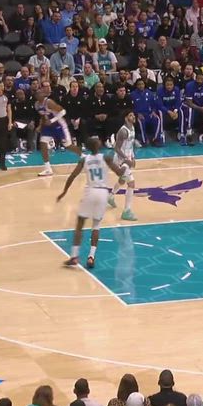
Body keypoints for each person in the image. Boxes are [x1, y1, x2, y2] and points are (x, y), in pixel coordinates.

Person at [58, 137, 125, 268]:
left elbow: (72, 176)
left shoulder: (84, 160)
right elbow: (119, 173)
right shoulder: (106, 158)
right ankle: (91, 257)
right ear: (97, 145)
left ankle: (74, 256)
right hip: (103, 193)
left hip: (90, 192)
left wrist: (64, 191)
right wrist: (126, 164)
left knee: (80, 224)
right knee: (96, 225)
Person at [35, 82, 81, 177]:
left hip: (59, 125)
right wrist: (40, 126)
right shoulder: (37, 105)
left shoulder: (49, 102)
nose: (39, 95)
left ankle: (85, 157)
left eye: (40, 93)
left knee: (68, 146)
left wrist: (52, 120)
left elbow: (63, 111)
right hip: (48, 127)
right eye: (37, 94)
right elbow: (43, 116)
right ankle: (48, 169)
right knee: (43, 144)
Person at [107, 110, 138, 222]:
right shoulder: (123, 131)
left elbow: (130, 146)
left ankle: (110, 196)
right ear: (126, 118)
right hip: (120, 160)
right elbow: (117, 148)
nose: (133, 116)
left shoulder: (132, 128)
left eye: (133, 115)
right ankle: (126, 211)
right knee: (131, 183)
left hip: (127, 158)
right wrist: (126, 159)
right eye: (130, 115)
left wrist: (133, 157)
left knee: (122, 180)